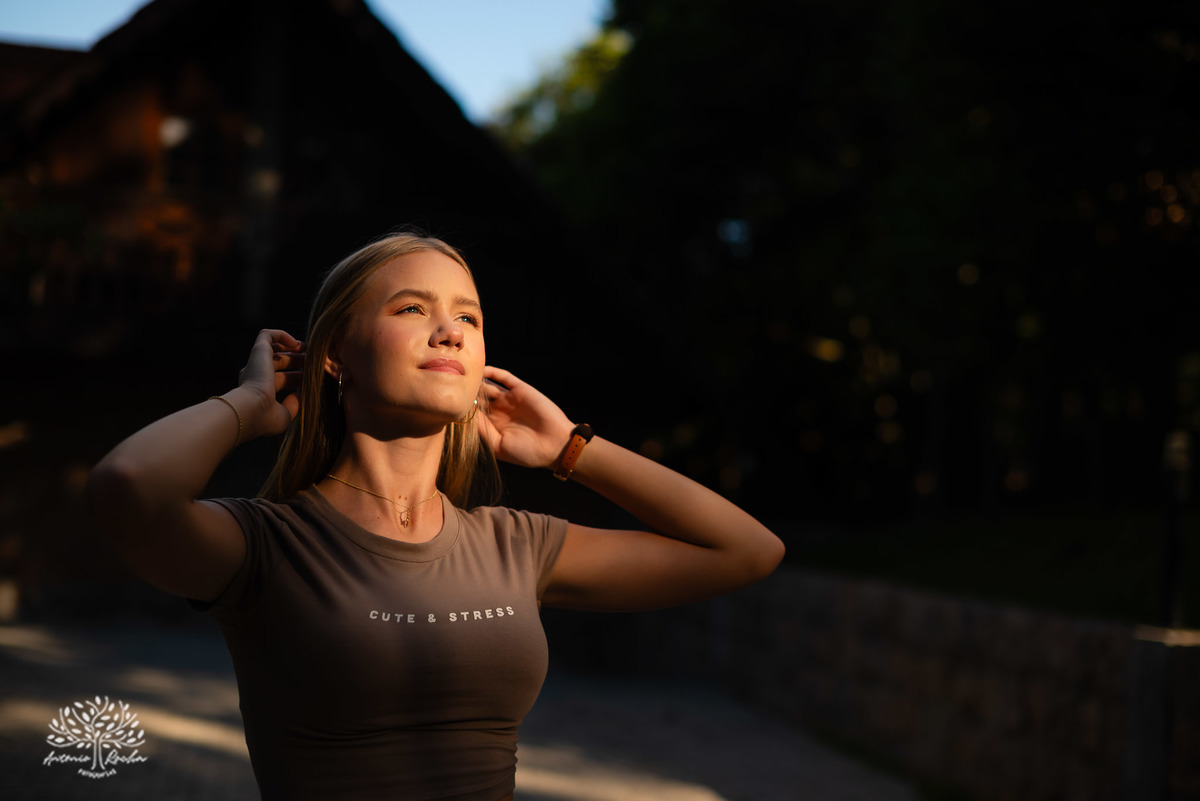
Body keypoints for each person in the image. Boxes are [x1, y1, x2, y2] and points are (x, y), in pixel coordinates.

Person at [87, 232, 784, 801]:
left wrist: (574, 447)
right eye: (413, 309)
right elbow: (128, 485)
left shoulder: (516, 542)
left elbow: (747, 550)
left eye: (469, 317)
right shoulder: (265, 544)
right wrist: (250, 404)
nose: (450, 330)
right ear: (335, 355)